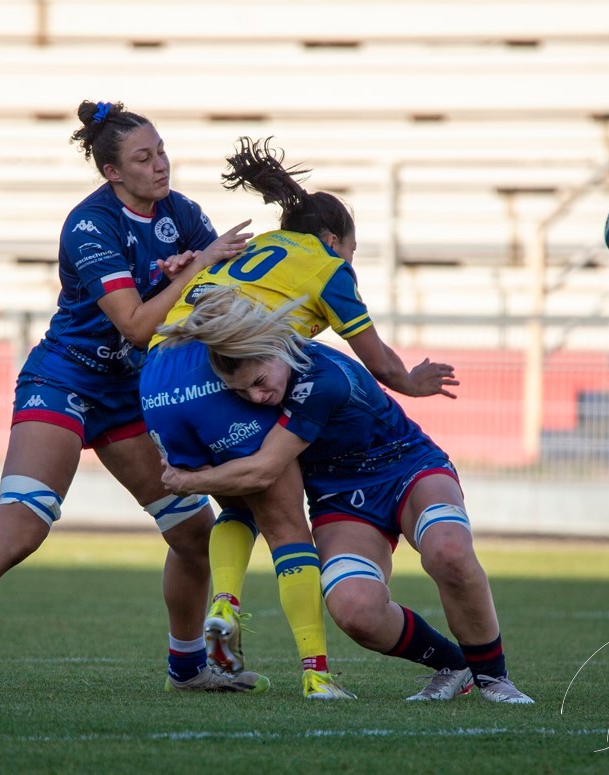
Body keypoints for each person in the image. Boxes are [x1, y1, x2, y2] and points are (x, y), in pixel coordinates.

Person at [0, 100, 266, 696]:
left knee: (194, 533)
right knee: (21, 527)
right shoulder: (90, 225)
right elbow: (135, 324)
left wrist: (198, 271)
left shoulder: (182, 213)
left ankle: (188, 669)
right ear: (113, 173)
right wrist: (193, 271)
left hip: (128, 392)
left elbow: (212, 298)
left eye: (161, 150)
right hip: (65, 379)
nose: (160, 164)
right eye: (143, 157)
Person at [140, 137, 458, 699]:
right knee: (285, 521)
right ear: (334, 239)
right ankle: (316, 676)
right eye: (351, 251)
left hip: (160, 374)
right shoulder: (326, 264)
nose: (349, 263)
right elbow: (378, 359)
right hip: (225, 367)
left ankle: (223, 605)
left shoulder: (255, 245)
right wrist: (413, 382)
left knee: (238, 503)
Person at [157, 288, 534, 704]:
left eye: (260, 383)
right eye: (243, 392)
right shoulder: (263, 376)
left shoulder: (321, 380)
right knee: (355, 610)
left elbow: (263, 469)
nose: (257, 398)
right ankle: (453, 663)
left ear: (277, 348)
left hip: (406, 467)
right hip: (338, 498)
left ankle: (494, 677)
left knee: (449, 551)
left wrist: (188, 481)